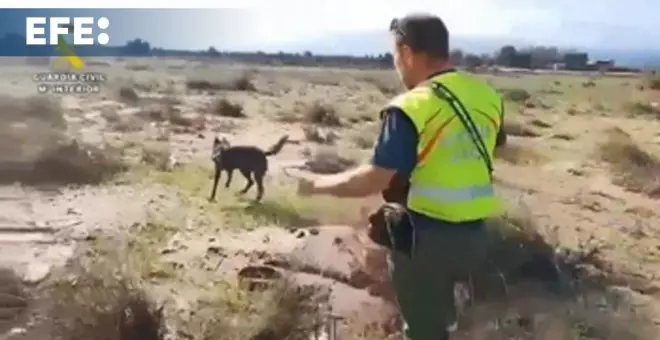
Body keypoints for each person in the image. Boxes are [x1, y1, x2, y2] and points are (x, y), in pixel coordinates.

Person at [297, 13, 506, 340]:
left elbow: (376, 178)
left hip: (425, 239)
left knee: (423, 330)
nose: (396, 65)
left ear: (407, 53)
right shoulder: (487, 97)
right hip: (477, 236)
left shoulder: (412, 105)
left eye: (395, 55)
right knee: (448, 314)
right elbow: (493, 145)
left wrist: (316, 185)